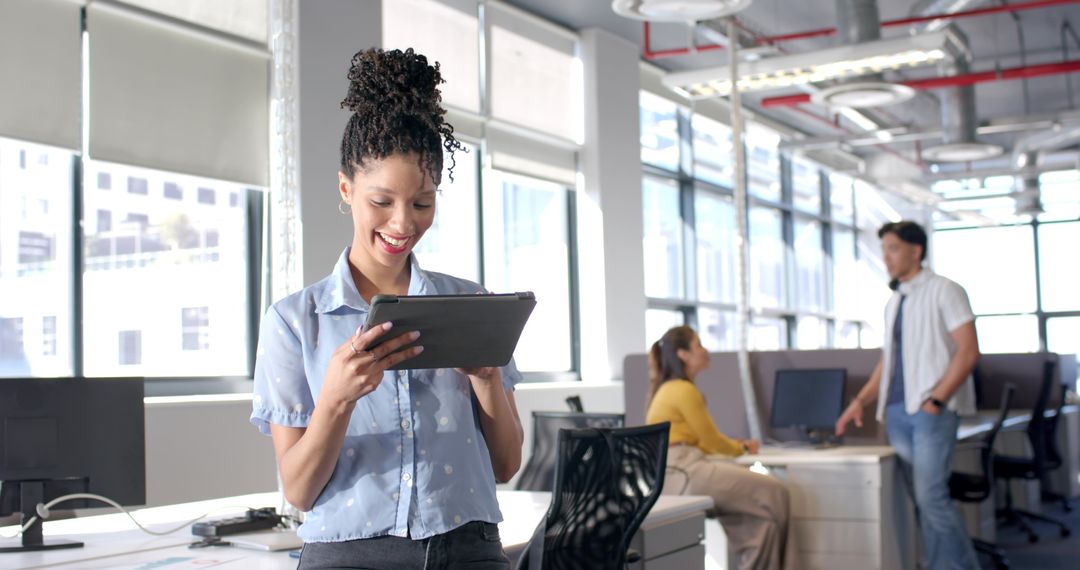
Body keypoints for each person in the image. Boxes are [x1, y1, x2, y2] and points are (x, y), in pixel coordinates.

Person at [250, 47, 524, 570]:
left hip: (468, 548)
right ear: (346, 188)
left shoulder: (471, 304)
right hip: (350, 555)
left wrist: (487, 378)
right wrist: (334, 400)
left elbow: (508, 465)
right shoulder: (294, 321)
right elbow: (301, 492)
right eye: (381, 202)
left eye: (422, 203)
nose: (402, 224)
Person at [835, 220, 980, 570]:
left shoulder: (945, 290)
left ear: (916, 250)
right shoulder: (895, 301)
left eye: (893, 248)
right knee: (923, 501)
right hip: (897, 412)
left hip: (929, 410)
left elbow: (968, 350)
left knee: (932, 499)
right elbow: (890, 361)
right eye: (883, 248)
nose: (885, 256)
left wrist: (937, 401)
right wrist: (860, 401)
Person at [645, 325, 796, 570]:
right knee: (776, 492)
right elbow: (711, 440)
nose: (705, 351)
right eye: (698, 345)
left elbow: (704, 440)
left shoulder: (669, 388)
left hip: (677, 471)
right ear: (683, 354)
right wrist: (744, 449)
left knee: (762, 521)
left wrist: (737, 446)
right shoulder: (683, 390)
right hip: (685, 471)